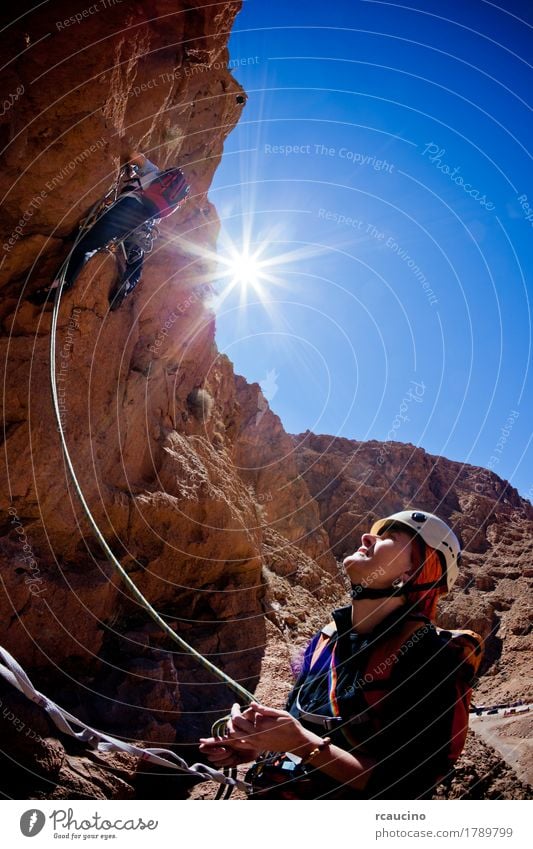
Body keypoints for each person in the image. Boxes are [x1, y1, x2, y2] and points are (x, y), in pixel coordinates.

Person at [199, 510, 483, 799]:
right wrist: (259, 744)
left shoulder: (430, 658)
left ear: (413, 572)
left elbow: (406, 784)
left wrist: (300, 743)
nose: (367, 537)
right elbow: (308, 728)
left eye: (390, 537)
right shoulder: (327, 639)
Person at [29, 152, 188, 308]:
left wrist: (134, 169)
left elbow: (134, 156)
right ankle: (127, 284)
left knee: (87, 245)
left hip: (126, 209)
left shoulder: (155, 172)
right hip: (143, 224)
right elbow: (157, 214)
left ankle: (60, 284)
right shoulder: (172, 202)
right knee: (135, 263)